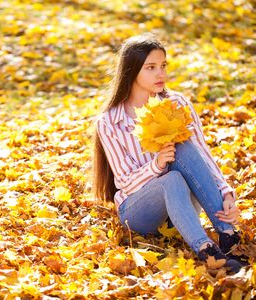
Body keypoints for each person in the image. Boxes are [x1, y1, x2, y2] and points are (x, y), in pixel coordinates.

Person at [92, 33, 247, 274]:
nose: (160, 74)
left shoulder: (178, 103)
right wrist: (156, 166)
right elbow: (123, 181)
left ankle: (228, 235)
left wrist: (226, 193)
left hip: (182, 208)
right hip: (139, 212)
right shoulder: (110, 121)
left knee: (183, 145)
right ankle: (208, 252)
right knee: (170, 178)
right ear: (131, 71)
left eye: (163, 66)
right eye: (151, 67)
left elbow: (202, 155)